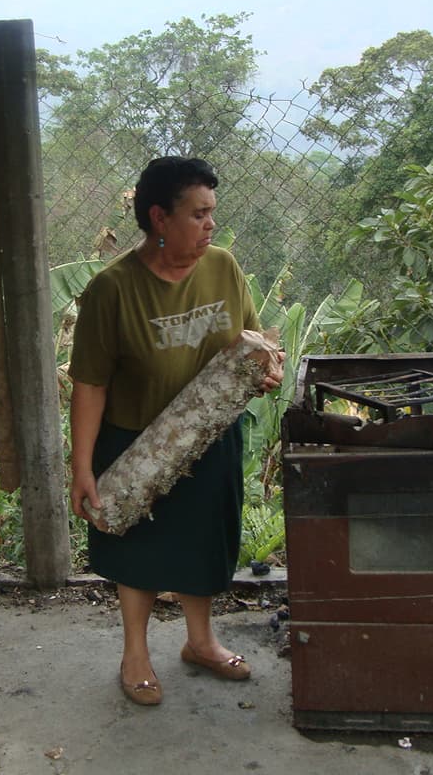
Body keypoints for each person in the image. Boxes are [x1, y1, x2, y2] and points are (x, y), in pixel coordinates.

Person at [68, 156, 283, 707]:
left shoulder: (223, 267)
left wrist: (267, 366)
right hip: (135, 442)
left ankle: (201, 642)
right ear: (160, 218)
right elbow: (89, 384)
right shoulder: (111, 290)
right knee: (137, 549)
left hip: (210, 438)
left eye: (213, 212)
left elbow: (252, 338)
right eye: (200, 213)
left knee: (202, 541)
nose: (211, 224)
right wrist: (83, 468)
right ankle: (134, 655)